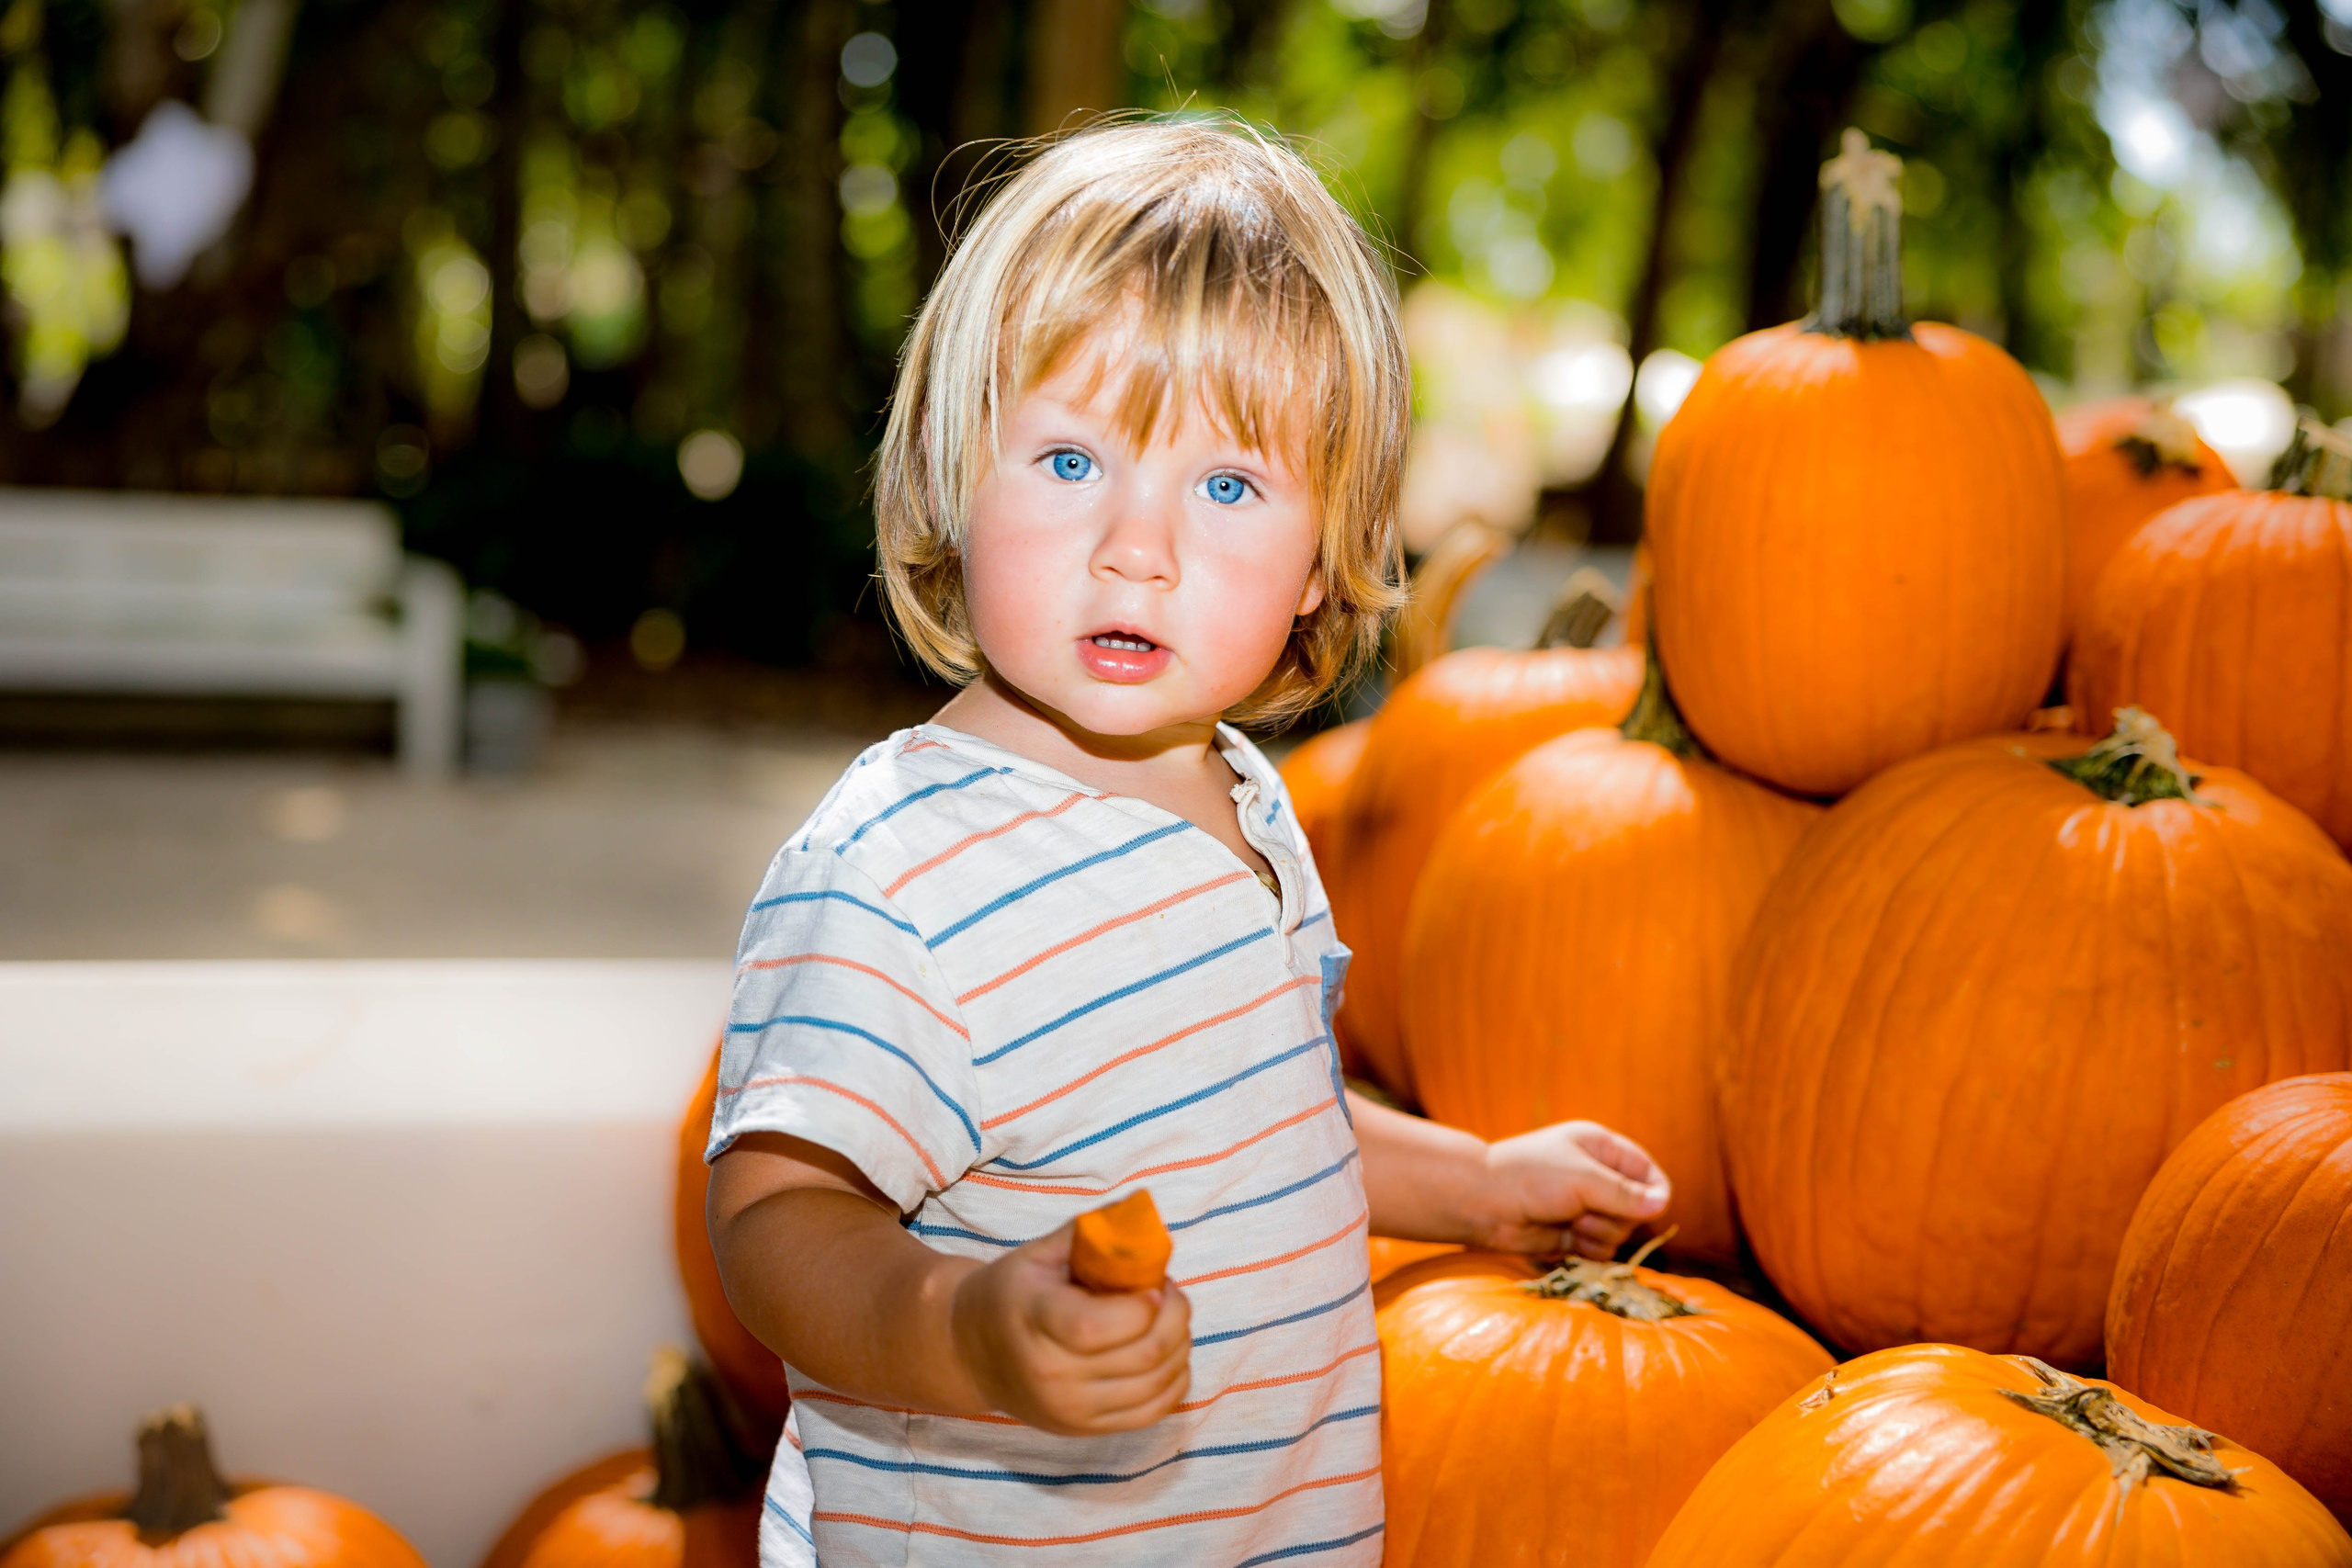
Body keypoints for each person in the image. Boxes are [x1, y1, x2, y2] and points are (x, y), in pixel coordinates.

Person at [705, 117, 1671, 1567]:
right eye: (1071, 460)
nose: (1137, 548)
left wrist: (1472, 1182)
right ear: (956, 469)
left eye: (1227, 487)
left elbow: (1258, 1124)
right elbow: (776, 1216)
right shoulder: (902, 871)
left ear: (1322, 559)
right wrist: (965, 1329)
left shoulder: (1245, 798)